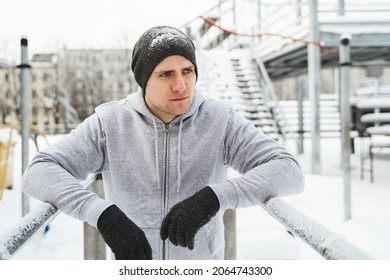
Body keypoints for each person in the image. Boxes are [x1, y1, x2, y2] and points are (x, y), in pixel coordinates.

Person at [22, 25, 304, 260]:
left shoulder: (220, 120)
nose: (181, 85)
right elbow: (40, 171)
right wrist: (102, 214)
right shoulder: (111, 123)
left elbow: (288, 170)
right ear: (144, 81)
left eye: (187, 71)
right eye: (165, 74)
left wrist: (214, 198)